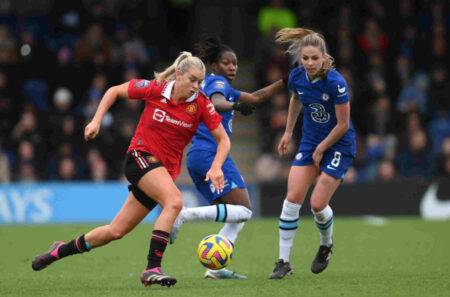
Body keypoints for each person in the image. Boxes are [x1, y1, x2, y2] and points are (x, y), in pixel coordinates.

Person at [31, 52, 231, 288]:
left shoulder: (200, 103)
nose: (196, 86)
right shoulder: (155, 89)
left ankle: (58, 251)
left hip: (160, 173)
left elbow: (224, 140)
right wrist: (96, 120)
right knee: (175, 201)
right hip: (139, 157)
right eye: (193, 80)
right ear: (179, 74)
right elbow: (114, 91)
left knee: (115, 231)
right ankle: (152, 268)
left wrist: (217, 166)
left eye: (200, 81)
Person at [169, 37, 284, 280]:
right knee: (244, 211)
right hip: (210, 154)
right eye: (226, 63)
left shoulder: (222, 84)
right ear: (215, 65)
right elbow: (216, 102)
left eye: (235, 63)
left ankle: (215, 268)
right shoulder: (215, 82)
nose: (233, 67)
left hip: (200, 157)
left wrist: (285, 81)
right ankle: (184, 214)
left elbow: (255, 98)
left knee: (238, 212)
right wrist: (234, 107)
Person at [268, 28, 356, 279]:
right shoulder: (297, 76)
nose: (309, 63)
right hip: (309, 142)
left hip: (338, 145)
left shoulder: (336, 83)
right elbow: (296, 99)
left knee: (317, 204)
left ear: (324, 57)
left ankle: (326, 245)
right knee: (292, 198)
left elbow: (343, 125)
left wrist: (322, 148)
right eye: (305, 58)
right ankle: (283, 262)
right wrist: (288, 132)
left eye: (314, 58)